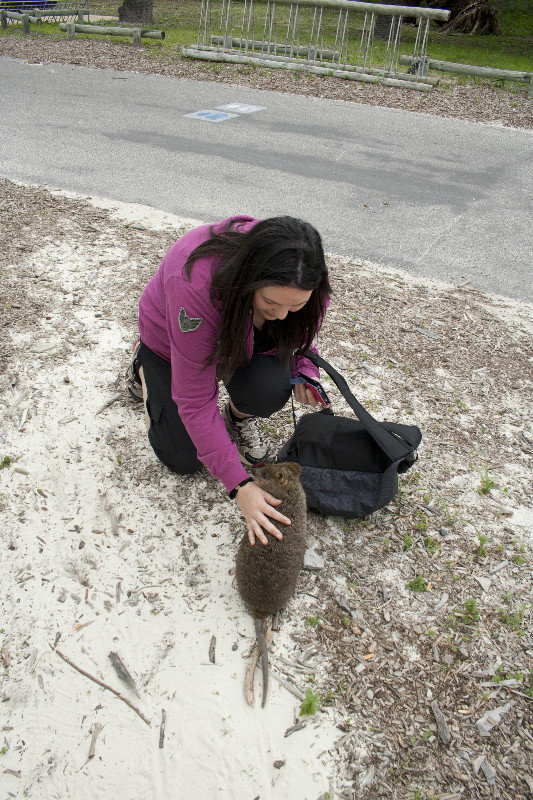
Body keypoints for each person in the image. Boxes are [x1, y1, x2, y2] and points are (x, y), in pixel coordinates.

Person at [127, 215, 330, 547]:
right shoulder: (195, 285)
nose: (282, 315)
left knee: (269, 390)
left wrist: (306, 368)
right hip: (171, 340)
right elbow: (194, 400)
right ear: (249, 279)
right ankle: (142, 364)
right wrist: (239, 486)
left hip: (245, 330)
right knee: (183, 458)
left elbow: (301, 333)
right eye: (272, 303)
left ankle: (236, 418)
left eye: (296, 305)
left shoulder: (302, 275)